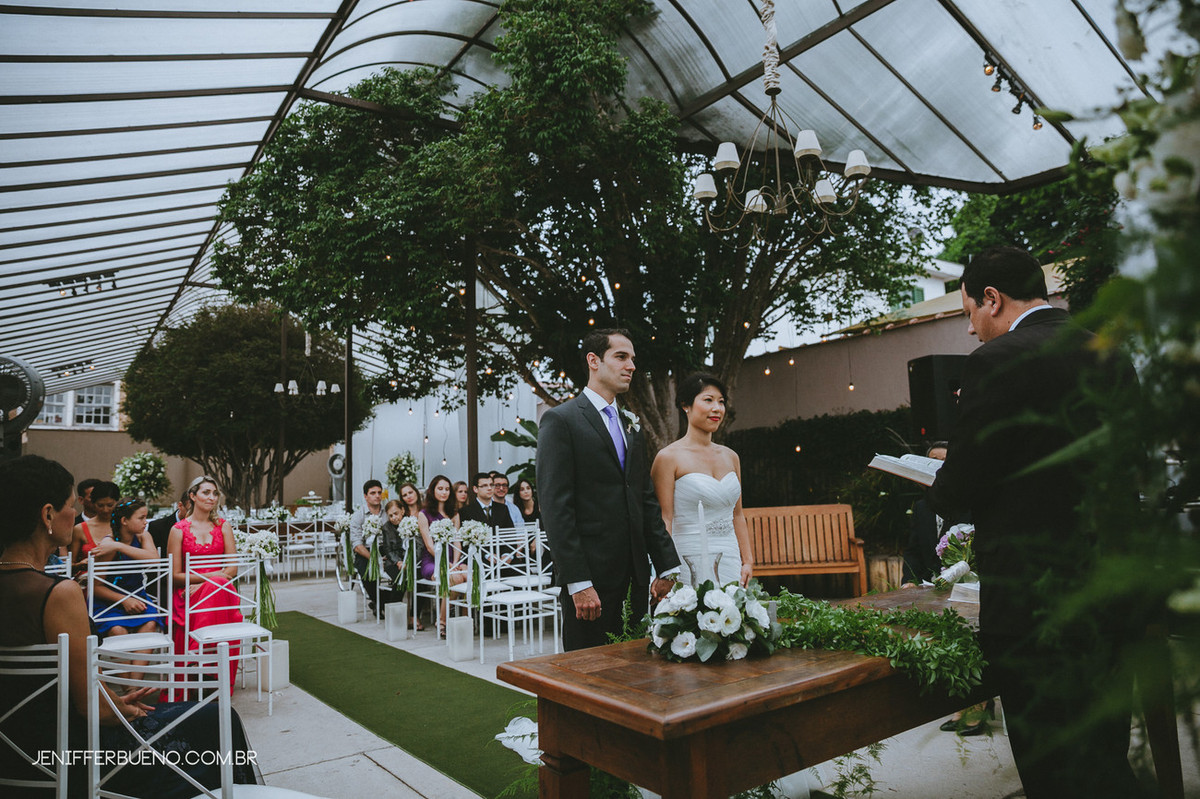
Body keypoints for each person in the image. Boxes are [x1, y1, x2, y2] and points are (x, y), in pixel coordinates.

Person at [926, 246, 1141, 797]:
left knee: (1052, 772)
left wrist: (944, 470)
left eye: (969, 313)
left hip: (1034, 607)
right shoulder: (1111, 354)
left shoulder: (995, 362)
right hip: (1112, 593)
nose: (971, 329)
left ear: (992, 299)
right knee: (1105, 760)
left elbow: (959, 490)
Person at [0, 455, 256, 798]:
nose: (76, 514)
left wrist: (111, 699)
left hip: (14, 752)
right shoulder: (58, 593)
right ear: (47, 515)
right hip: (72, 755)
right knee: (220, 719)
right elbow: (92, 708)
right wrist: (122, 706)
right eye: (71, 506)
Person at [536, 328, 680, 650]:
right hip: (591, 580)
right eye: (621, 357)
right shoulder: (561, 421)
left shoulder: (632, 425)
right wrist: (577, 581)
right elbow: (556, 508)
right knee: (588, 670)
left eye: (633, 359)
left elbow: (644, 498)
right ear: (594, 361)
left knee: (636, 668)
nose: (631, 366)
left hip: (636, 579)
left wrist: (666, 565)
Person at [651, 373, 753, 588]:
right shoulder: (668, 458)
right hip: (687, 557)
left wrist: (747, 560)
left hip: (730, 557)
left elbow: (737, 514)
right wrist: (665, 568)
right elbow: (664, 518)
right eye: (708, 400)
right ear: (685, 405)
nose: (717, 408)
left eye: (721, 402)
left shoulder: (731, 457)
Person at [167, 475, 241, 691]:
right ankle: (207, 666)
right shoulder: (178, 530)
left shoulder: (224, 526)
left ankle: (201, 660)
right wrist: (213, 577)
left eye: (215, 493)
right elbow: (174, 575)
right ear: (192, 496)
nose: (212, 498)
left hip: (219, 590)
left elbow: (232, 569)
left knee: (219, 588)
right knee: (218, 586)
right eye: (206, 492)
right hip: (187, 594)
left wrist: (208, 582)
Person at [91, 498, 166, 681]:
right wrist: (124, 600)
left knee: (150, 624)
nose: (145, 522)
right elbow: (96, 588)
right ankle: (128, 687)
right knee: (118, 630)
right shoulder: (107, 546)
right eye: (141, 518)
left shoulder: (142, 536)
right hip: (109, 601)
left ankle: (134, 685)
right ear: (124, 521)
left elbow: (155, 560)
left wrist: (119, 546)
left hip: (138, 596)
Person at [416, 474, 463, 635]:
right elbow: (429, 545)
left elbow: (457, 542)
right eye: (440, 489)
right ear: (432, 491)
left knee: (470, 574)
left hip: (452, 559)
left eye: (447, 489)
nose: (444, 492)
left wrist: (455, 563)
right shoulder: (423, 514)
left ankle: (465, 619)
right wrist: (446, 564)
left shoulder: (454, 514)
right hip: (432, 561)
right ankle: (442, 621)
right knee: (455, 578)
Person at [900, 442, 950, 587]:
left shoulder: (969, 506)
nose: (938, 466)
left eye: (944, 460)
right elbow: (913, 551)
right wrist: (909, 581)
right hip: (927, 583)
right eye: (933, 460)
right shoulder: (921, 508)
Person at [348, 479, 386, 618]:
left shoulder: (387, 513)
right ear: (365, 496)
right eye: (373, 493)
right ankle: (381, 602)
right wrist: (374, 559)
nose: (377, 496)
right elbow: (357, 545)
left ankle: (380, 603)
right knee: (366, 570)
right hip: (365, 551)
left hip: (385, 549)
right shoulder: (358, 516)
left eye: (379, 493)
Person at [69, 480, 119, 578]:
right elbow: (70, 565)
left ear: (117, 502)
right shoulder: (80, 529)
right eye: (100, 505)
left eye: (110, 505)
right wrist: (80, 565)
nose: (105, 510)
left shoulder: (124, 525)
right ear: (93, 503)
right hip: (88, 581)